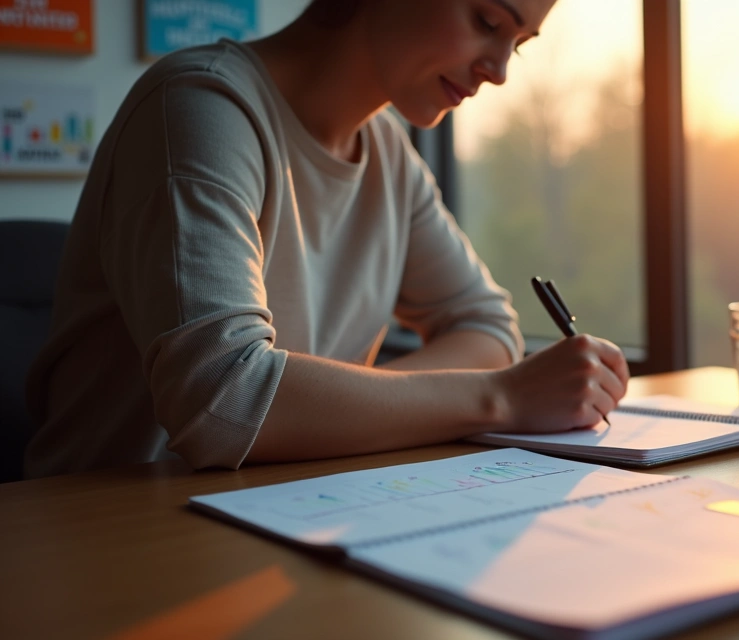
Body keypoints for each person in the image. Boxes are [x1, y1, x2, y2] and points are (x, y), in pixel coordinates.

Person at [22, 0, 630, 479]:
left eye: (516, 46)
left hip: (279, 506)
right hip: (109, 539)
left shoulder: (388, 153)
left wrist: (323, 411)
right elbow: (224, 403)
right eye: (486, 21)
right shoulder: (200, 108)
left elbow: (487, 327)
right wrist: (497, 398)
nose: (497, 71)